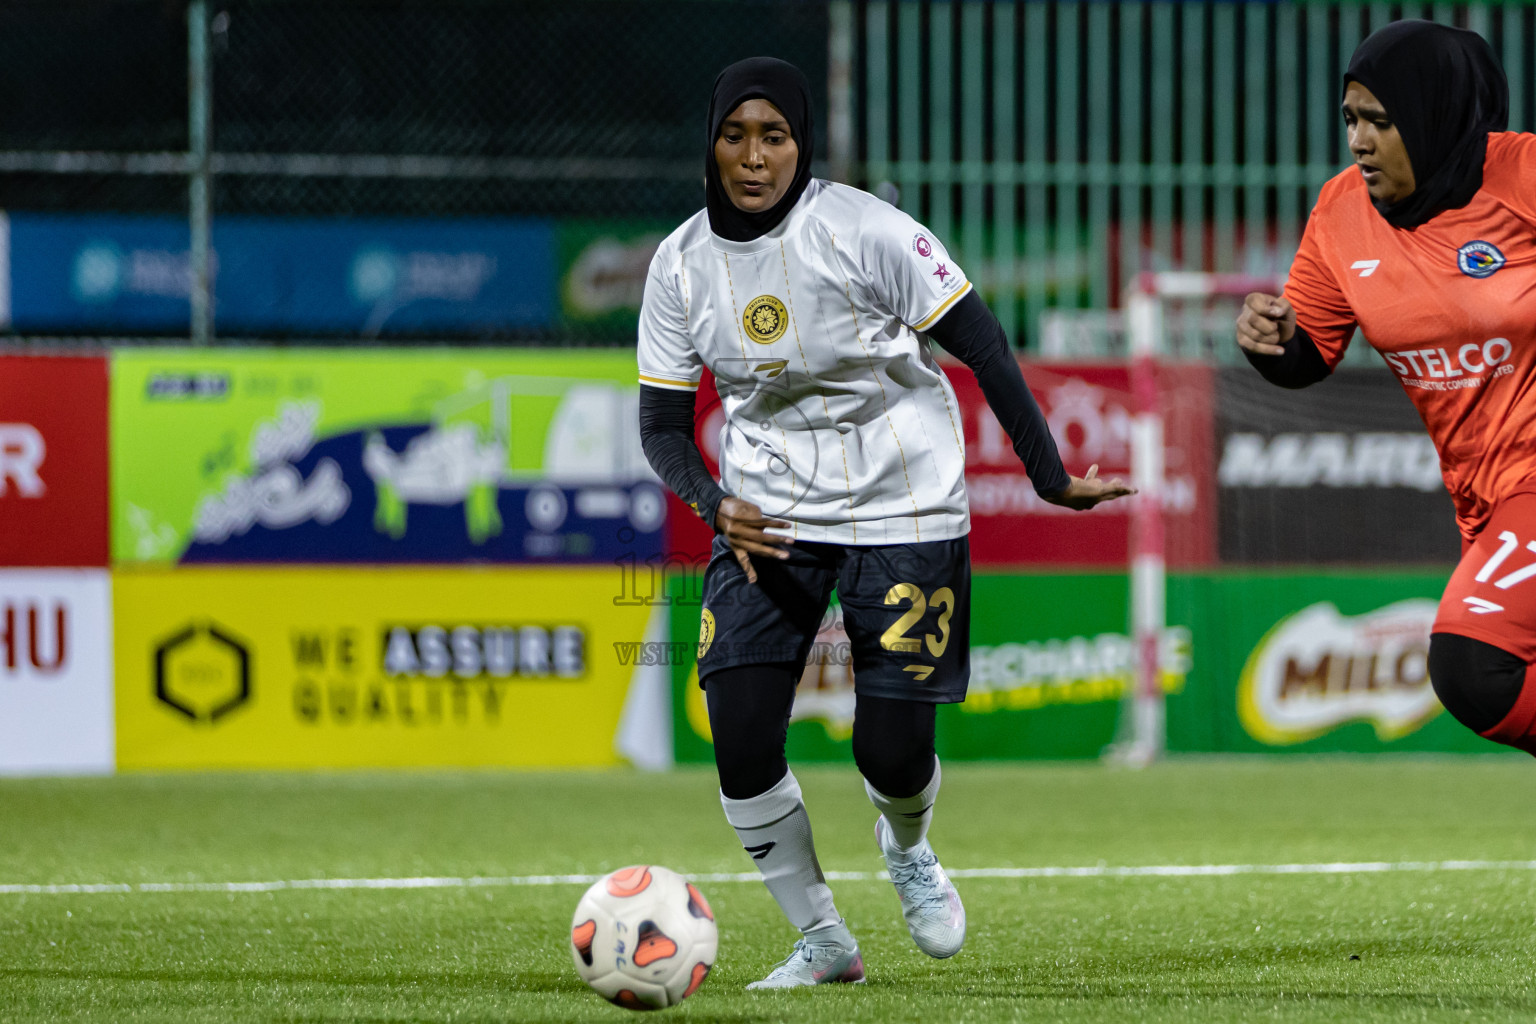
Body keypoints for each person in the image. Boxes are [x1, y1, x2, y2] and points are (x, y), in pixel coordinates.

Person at [637, 56, 1132, 989]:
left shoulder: (865, 230)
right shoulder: (678, 265)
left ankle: (907, 845)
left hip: (904, 502)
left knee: (892, 752)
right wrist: (714, 506)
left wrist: (1050, 475)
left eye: (774, 136)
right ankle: (822, 939)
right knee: (739, 733)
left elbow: (979, 341)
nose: (753, 157)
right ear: (709, 144)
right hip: (770, 515)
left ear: (802, 144)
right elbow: (662, 425)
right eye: (734, 135)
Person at [1236, 21, 1536, 755]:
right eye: (1350, 119)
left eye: (1381, 120)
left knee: (1473, 663)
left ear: (1435, 112)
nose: (1359, 141)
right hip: (1483, 499)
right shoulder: (1342, 212)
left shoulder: (1524, 173)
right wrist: (1273, 342)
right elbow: (1310, 352)